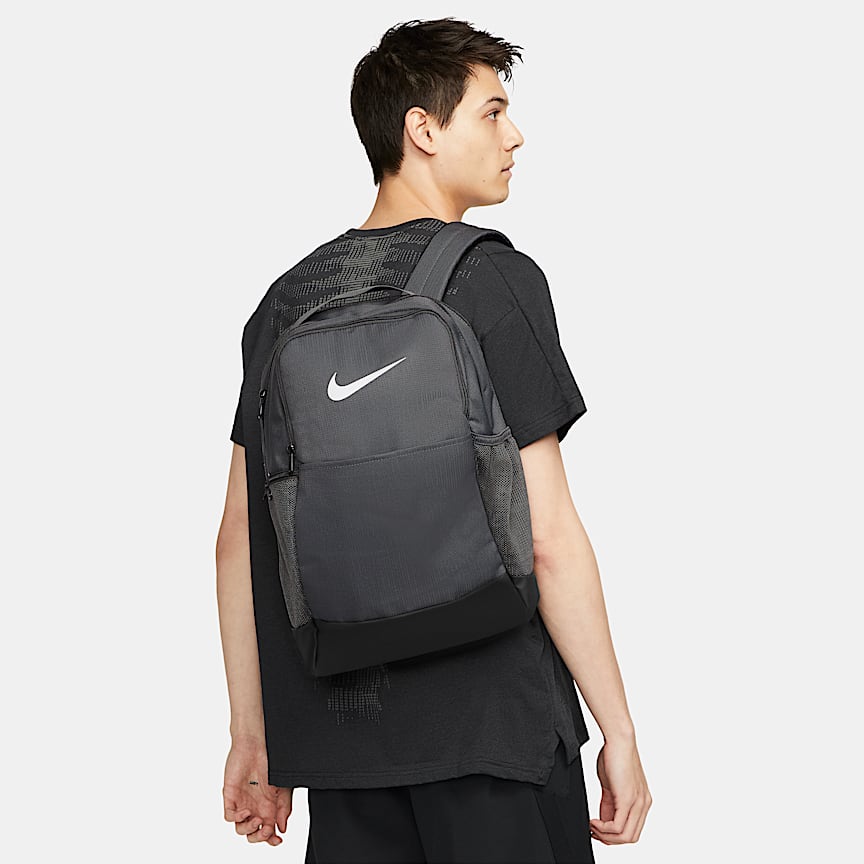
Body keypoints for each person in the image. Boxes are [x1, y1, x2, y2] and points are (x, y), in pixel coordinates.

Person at [216, 17, 651, 862]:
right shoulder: (491, 277)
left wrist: (253, 734)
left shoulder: (286, 302)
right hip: (497, 737)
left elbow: (240, 539)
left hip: (341, 750)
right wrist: (619, 730)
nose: (514, 136)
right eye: (492, 112)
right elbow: (547, 535)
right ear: (422, 129)